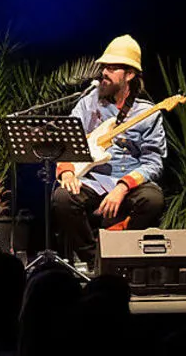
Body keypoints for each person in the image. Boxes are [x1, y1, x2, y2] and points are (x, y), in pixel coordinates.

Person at [51, 35, 166, 266]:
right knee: (62, 198)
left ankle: (121, 251)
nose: (104, 72)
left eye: (112, 68)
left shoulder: (148, 113)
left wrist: (123, 187)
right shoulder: (87, 103)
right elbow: (67, 145)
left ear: (130, 75)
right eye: (103, 66)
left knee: (153, 199)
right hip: (94, 180)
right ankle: (95, 261)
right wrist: (67, 173)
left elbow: (154, 162)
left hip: (128, 181)